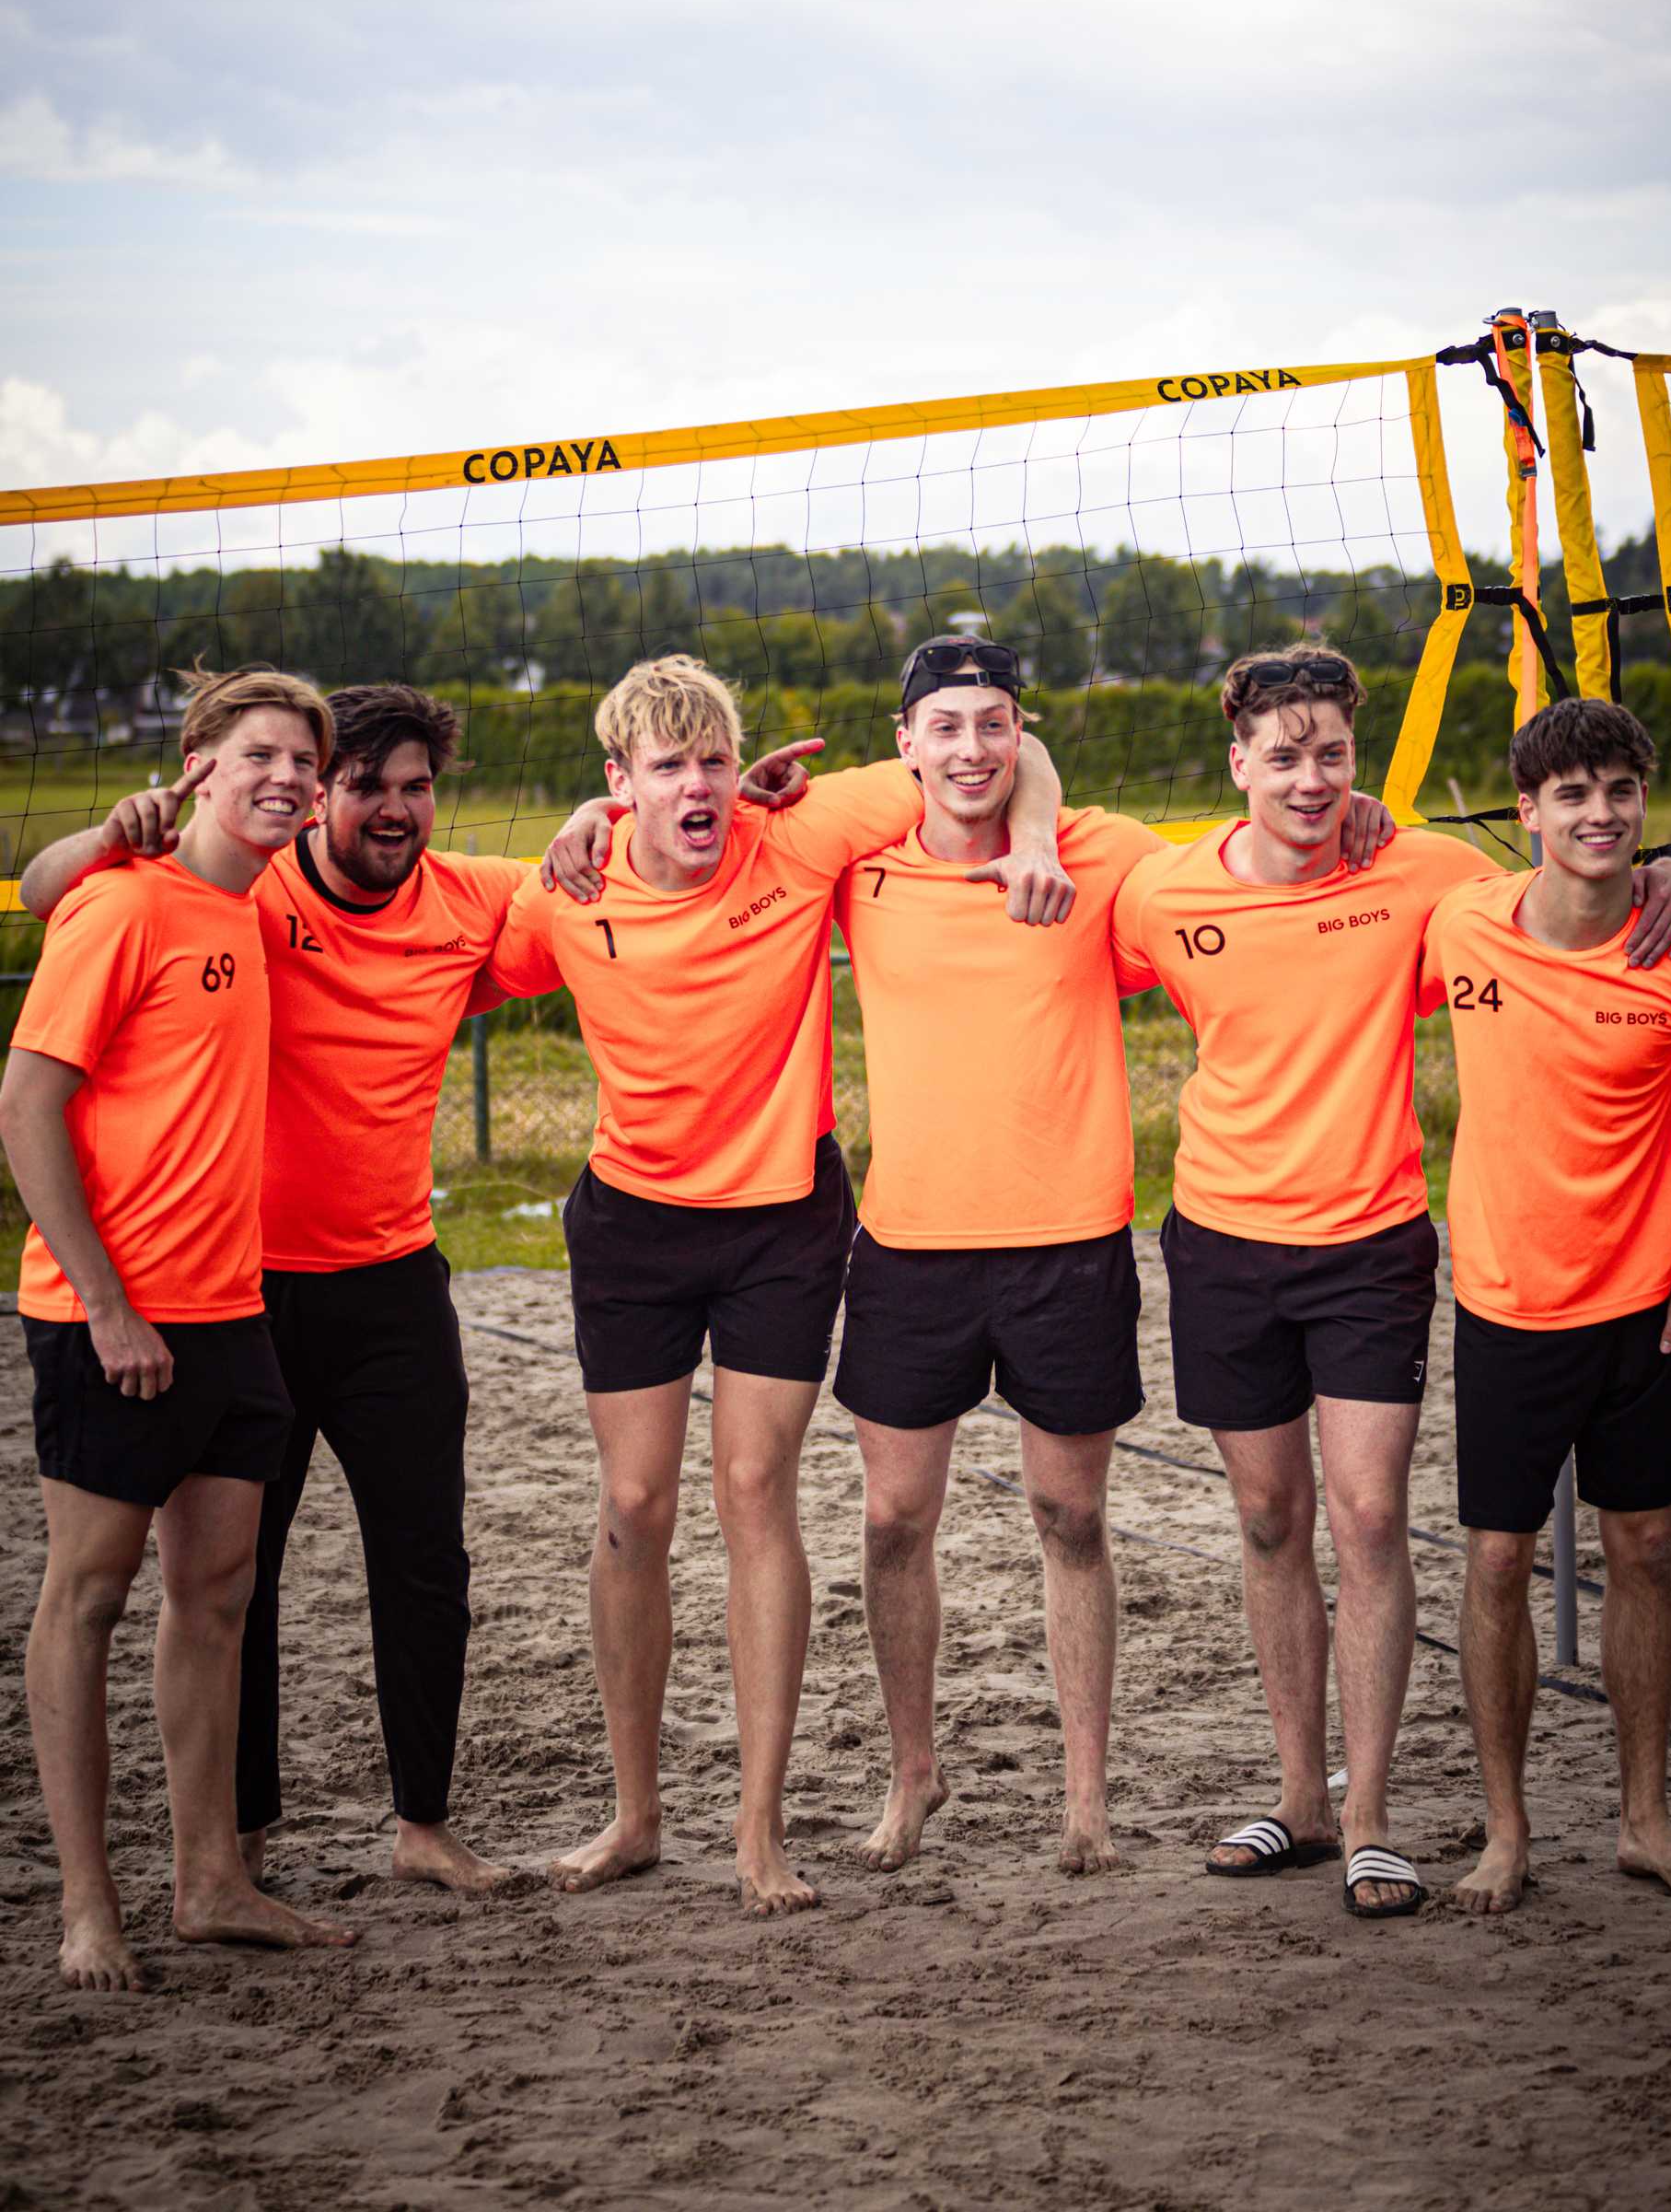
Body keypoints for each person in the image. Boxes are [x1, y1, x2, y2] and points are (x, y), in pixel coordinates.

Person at [20, 681, 818, 1896]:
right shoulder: (249, 884)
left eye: (416, 787)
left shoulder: (471, 900)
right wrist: (113, 831)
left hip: (395, 1274)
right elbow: (62, 893)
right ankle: (235, 1842)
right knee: (242, 1575)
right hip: (247, 1281)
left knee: (424, 1561)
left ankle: (423, 1822)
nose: (394, 809)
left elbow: (613, 871)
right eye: (364, 785)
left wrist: (588, 824)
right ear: (319, 793)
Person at [1110, 644, 1671, 1918]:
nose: (1312, 778)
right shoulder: (1158, 894)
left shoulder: (1421, 869)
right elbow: (1042, 900)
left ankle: (1373, 1820)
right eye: (1285, 756)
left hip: (1373, 1242)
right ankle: (1302, 1803)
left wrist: (1664, 865)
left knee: (1372, 1519)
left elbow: (1568, 884)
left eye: (1332, 754)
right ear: (1238, 765)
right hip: (1219, 1240)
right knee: (1271, 1520)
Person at [493, 653, 1073, 1915]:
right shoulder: (564, 890)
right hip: (633, 1225)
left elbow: (993, 753)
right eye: (665, 768)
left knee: (756, 1489)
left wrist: (1030, 834)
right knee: (634, 1508)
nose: (697, 784)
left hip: (780, 1223)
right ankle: (636, 1815)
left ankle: (758, 1831)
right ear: (619, 783)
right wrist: (568, 838)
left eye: (712, 759)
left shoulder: (796, 833)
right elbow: (424, 928)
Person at [0, 668, 357, 1990]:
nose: (288, 780)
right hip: (114, 1319)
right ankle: (88, 1909)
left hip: (230, 1315)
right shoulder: (123, 902)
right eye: (260, 753)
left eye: (303, 766)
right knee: (86, 1601)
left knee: (214, 1601)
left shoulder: (246, 907)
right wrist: (105, 1305)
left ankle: (211, 1882)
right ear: (196, 762)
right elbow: (26, 1105)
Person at [1421, 698, 1671, 1914]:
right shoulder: (1462, 922)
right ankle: (1506, 1834)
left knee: (1647, 1548)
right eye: (1572, 794)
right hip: (1508, 1302)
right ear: (1527, 813)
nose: (1601, 813)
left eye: (1622, 791)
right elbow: (1344, 897)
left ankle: (1646, 1824)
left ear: (1642, 802)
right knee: (1501, 1561)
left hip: (1641, 1304)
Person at [832, 640, 1172, 1876]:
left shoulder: (1099, 855)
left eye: (997, 724)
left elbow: (1247, 874)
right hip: (911, 1247)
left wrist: (1349, 813)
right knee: (888, 1523)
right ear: (905, 739)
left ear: (1022, 735)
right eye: (947, 725)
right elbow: (694, 828)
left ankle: (1086, 1794)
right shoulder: (856, 869)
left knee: (1070, 1518)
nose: (973, 748)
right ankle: (912, 1771)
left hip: (1068, 1245)